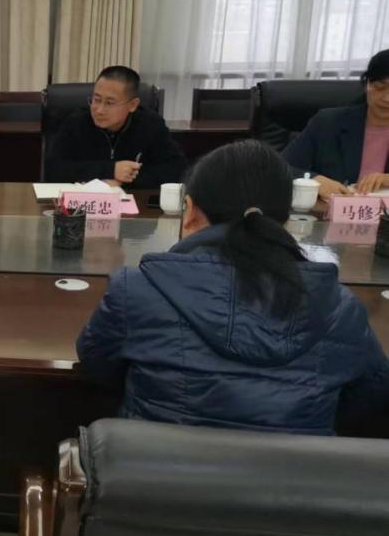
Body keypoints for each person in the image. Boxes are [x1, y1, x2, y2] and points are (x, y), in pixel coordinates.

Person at [76, 140, 389, 434]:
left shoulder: (138, 290)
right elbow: (370, 396)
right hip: (294, 474)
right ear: (286, 218)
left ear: (189, 210)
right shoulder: (338, 306)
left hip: (153, 472)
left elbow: (98, 366)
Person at [45, 65, 187, 189]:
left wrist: (125, 180)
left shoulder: (150, 125)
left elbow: (177, 170)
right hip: (82, 204)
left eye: (109, 103)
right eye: (96, 99)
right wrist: (111, 170)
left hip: (133, 204)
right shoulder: (76, 123)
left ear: (132, 105)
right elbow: (53, 170)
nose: (99, 110)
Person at [283, 48, 389, 199]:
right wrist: (314, 180)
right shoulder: (328, 123)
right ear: (367, 84)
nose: (386, 98)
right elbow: (279, 167)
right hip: (330, 210)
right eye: (380, 87)